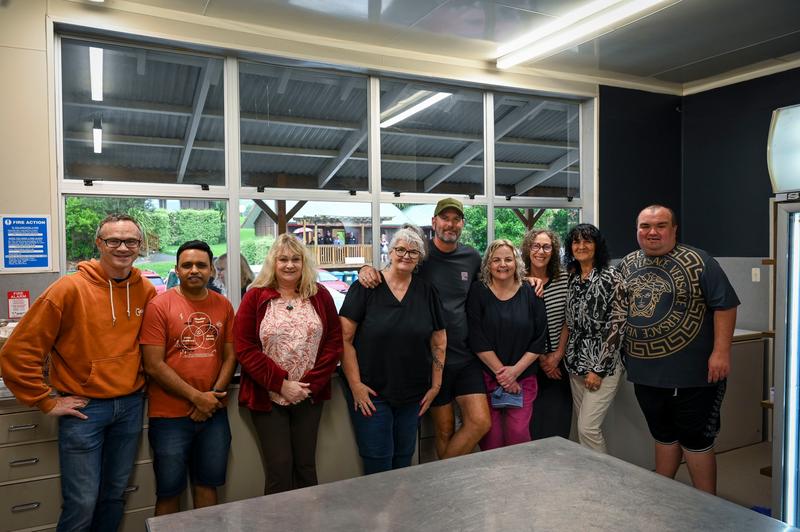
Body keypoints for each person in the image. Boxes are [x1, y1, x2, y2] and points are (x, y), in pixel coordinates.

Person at [0, 214, 156, 531]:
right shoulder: (68, 289)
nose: (122, 247)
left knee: (113, 496)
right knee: (82, 503)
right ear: (99, 243)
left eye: (130, 241)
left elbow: (152, 345)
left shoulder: (145, 289)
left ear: (139, 246)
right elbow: (17, 351)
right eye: (113, 240)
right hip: (85, 409)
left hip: (130, 406)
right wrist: (45, 400)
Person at [619, 205, 739, 494]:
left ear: (674, 230)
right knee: (663, 435)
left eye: (660, 225)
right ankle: (665, 496)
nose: (652, 232)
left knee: (695, 440)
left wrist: (721, 352)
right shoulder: (627, 263)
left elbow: (725, 305)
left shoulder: (700, 261)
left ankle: (708, 505)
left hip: (693, 374)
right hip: (644, 372)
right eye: (645, 226)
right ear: (637, 230)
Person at [359, 198, 490, 459]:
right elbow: (393, 271)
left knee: (480, 422)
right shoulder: (420, 255)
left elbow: (496, 281)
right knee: (444, 430)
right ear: (434, 222)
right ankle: (447, 480)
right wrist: (365, 269)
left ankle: (442, 475)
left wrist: (529, 278)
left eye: (456, 219)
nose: (450, 224)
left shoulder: (472, 257)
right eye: (445, 218)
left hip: (465, 357)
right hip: (430, 361)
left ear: (462, 224)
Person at [234, 233, 342, 494]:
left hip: (308, 395)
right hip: (267, 396)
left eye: (296, 259)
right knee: (279, 469)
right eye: (283, 259)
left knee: (306, 467)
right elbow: (244, 347)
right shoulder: (255, 296)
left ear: (304, 263)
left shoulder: (319, 295)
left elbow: (334, 342)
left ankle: (309, 516)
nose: (290, 265)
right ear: (273, 262)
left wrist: (309, 385)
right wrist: (281, 384)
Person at [140, 240, 237, 515]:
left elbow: (231, 356)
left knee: (208, 486)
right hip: (169, 416)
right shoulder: (159, 306)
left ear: (211, 271)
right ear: (177, 270)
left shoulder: (223, 305)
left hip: (213, 414)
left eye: (201, 265)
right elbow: (153, 365)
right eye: (187, 265)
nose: (194, 270)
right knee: (169, 491)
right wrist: (198, 398)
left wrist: (211, 398)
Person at [340, 228, 446, 474]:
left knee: (403, 462)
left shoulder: (427, 291)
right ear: (389, 252)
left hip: (413, 395)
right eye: (400, 249)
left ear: (419, 258)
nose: (406, 255)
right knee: (378, 465)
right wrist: (355, 385)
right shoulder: (366, 287)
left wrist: (436, 386)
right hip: (372, 395)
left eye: (413, 252)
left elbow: (439, 342)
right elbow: (344, 340)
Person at [550, 223, 626, 454]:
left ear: (597, 246)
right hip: (575, 364)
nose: (581, 246)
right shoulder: (573, 277)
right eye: (576, 241)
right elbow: (569, 321)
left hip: (602, 365)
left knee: (588, 428)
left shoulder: (612, 276)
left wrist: (598, 369)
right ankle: (589, 471)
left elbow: (617, 326)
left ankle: (603, 473)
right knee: (582, 428)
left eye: (587, 241)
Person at [467, 239, 547, 449]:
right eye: (496, 260)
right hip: (487, 377)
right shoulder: (478, 291)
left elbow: (539, 338)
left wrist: (514, 373)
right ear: (488, 264)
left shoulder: (532, 291)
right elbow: (476, 337)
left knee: (517, 435)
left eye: (508, 259)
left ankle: (519, 473)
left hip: (523, 378)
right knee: (491, 439)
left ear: (516, 262)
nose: (502, 264)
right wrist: (503, 375)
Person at [521, 229, 572, 440]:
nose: (540, 251)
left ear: (554, 250)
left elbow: (568, 319)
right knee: (531, 424)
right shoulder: (519, 281)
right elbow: (523, 327)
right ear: (528, 248)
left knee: (558, 423)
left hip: (559, 362)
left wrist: (557, 355)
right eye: (536, 246)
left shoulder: (564, 279)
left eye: (546, 247)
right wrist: (543, 359)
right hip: (530, 363)